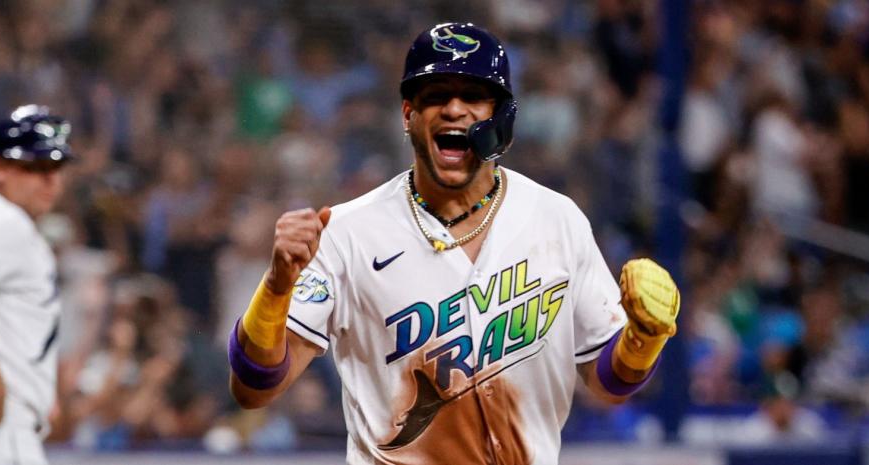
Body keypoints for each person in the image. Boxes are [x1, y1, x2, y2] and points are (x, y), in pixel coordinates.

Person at [228, 22, 681, 464]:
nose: (454, 110)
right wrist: (277, 286)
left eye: (473, 96)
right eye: (436, 96)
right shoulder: (347, 232)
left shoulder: (556, 219)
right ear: (409, 115)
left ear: (501, 116)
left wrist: (642, 340)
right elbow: (255, 388)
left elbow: (608, 386)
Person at [0, 105, 76, 465]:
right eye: (35, 168)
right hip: (0, 436)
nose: (50, 180)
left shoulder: (13, 226)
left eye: (56, 168)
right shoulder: (2, 221)